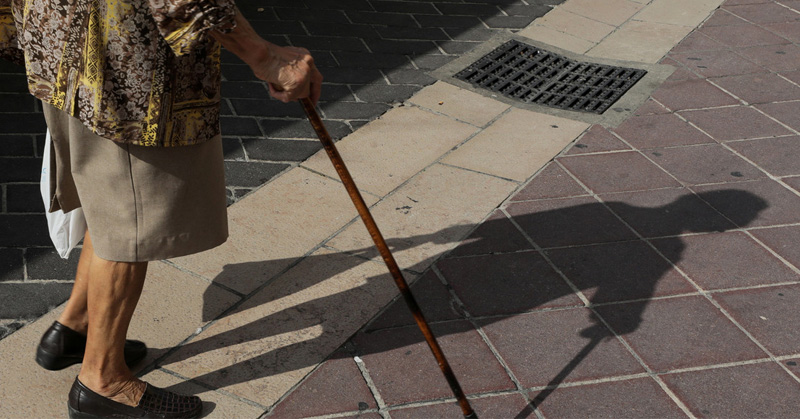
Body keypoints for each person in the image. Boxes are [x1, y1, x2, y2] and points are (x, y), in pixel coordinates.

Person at [0, 0, 322, 416]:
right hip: (123, 60)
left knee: (112, 197)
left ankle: (76, 328)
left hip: (61, 31)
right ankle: (103, 380)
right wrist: (266, 57)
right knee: (131, 216)